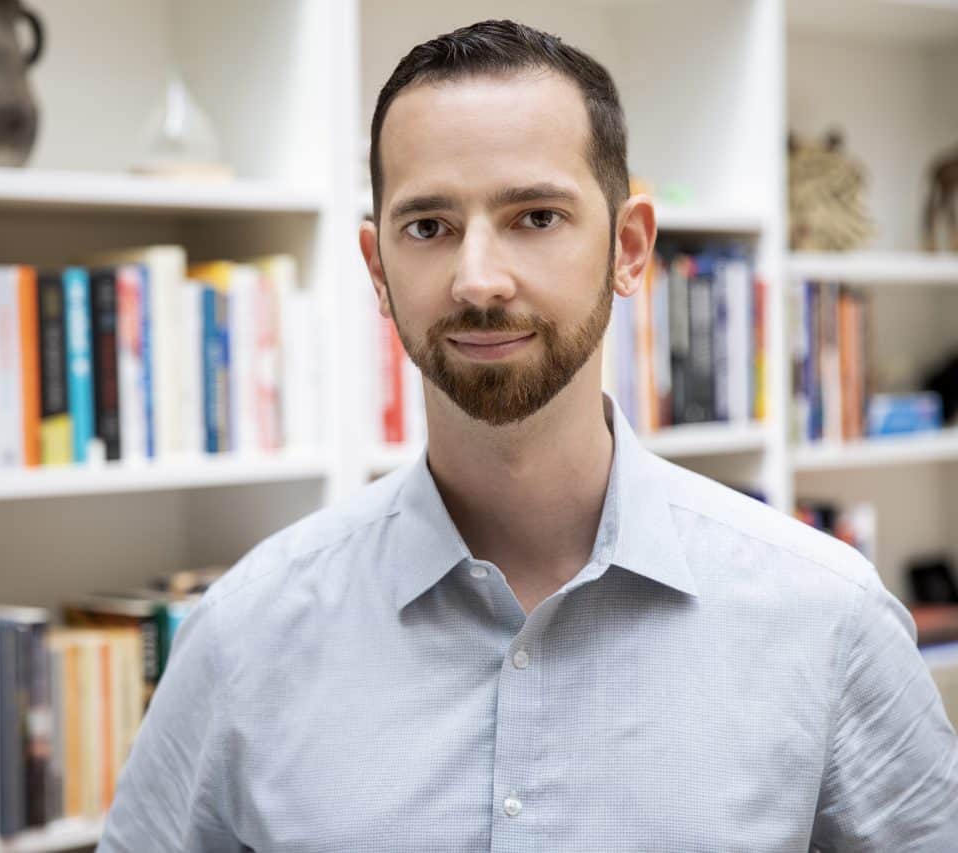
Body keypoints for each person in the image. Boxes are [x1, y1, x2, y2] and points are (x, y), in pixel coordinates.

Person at [98, 19, 958, 851]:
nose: (478, 280)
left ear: (628, 248)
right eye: (428, 227)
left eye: (536, 216)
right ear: (378, 270)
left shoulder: (828, 618)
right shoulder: (243, 635)